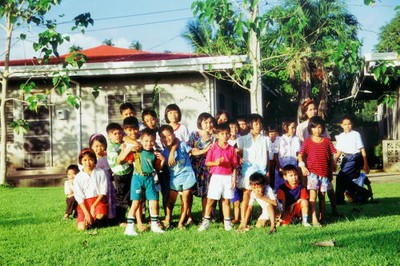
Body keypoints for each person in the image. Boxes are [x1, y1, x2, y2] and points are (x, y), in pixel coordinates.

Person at [296, 99, 339, 216]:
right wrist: (302, 164)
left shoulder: (321, 124)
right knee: (311, 189)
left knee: (327, 188)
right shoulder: (301, 127)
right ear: (305, 112)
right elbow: (300, 146)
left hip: (323, 163)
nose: (313, 111)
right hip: (309, 163)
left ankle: (334, 210)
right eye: (310, 110)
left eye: (315, 109)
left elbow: (328, 144)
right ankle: (310, 212)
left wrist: (332, 161)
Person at [124, 129, 166, 236]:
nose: (149, 143)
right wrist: (126, 149)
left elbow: (156, 168)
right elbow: (127, 160)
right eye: (146, 141)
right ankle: (129, 228)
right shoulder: (137, 151)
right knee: (135, 203)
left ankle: (154, 225)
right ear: (141, 141)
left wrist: (162, 161)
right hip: (138, 178)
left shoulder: (154, 153)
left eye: (151, 141)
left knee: (154, 201)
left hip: (150, 179)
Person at [198, 123, 238, 231]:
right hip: (216, 177)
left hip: (228, 177)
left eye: (227, 134)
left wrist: (234, 179)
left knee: (226, 201)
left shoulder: (231, 149)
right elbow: (207, 163)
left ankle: (227, 223)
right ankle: (206, 221)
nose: (225, 136)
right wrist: (215, 163)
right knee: (211, 200)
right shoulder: (213, 147)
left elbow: (234, 166)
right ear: (217, 135)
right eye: (222, 134)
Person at [158, 125, 197, 229]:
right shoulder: (163, 153)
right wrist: (162, 161)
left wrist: (205, 150)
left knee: (185, 200)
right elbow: (159, 167)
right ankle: (168, 220)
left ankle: (181, 223)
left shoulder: (182, 145)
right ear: (161, 139)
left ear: (174, 135)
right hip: (174, 180)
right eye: (163, 137)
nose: (167, 138)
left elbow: (192, 151)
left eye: (169, 135)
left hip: (187, 176)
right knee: (170, 201)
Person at [237, 114, 270, 224]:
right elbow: (238, 152)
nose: (259, 126)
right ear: (250, 125)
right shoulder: (243, 139)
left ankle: (266, 216)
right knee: (246, 194)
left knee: (262, 192)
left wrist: (268, 171)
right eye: (256, 123)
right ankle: (243, 220)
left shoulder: (265, 139)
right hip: (248, 169)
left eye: (260, 123)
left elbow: (268, 158)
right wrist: (239, 158)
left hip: (261, 169)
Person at [106, 123, 138, 226]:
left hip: (129, 171)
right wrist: (127, 151)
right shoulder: (111, 148)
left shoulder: (122, 143)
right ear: (109, 136)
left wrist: (128, 155)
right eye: (114, 133)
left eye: (119, 133)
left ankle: (133, 216)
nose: (117, 135)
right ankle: (120, 219)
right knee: (121, 197)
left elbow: (127, 158)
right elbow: (119, 160)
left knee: (130, 195)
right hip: (120, 175)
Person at [335, 116, 372, 204]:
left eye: (349, 124)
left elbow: (362, 149)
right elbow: (339, 151)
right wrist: (334, 161)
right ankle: (364, 193)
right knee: (345, 180)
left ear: (352, 124)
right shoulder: (341, 136)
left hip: (354, 157)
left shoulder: (356, 134)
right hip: (346, 158)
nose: (347, 126)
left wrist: (365, 164)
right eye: (345, 124)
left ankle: (339, 200)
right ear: (341, 125)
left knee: (340, 176)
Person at [188, 112, 216, 216]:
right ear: (200, 123)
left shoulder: (215, 137)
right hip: (195, 166)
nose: (209, 125)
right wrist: (203, 151)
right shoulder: (194, 135)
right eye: (206, 122)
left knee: (207, 192)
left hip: (209, 167)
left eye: (211, 122)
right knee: (190, 191)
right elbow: (190, 150)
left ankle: (206, 216)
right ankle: (188, 216)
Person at [74, 148, 108, 230]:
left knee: (100, 215)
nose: (88, 163)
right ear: (81, 161)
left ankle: (98, 221)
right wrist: (86, 213)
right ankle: (85, 219)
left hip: (97, 201)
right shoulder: (78, 177)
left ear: (94, 160)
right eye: (85, 160)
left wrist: (93, 206)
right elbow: (79, 197)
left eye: (90, 160)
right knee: (82, 228)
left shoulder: (100, 172)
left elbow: (103, 191)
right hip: (84, 204)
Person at [89, 133, 117, 221]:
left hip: (108, 184)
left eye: (101, 146)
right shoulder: (91, 160)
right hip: (96, 185)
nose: (99, 148)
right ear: (91, 146)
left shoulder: (108, 158)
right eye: (96, 146)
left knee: (109, 200)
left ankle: (110, 217)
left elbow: (112, 170)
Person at [276, 119, 301, 191]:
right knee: (281, 187)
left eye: (295, 128)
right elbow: (276, 155)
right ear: (285, 127)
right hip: (282, 167)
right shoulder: (279, 139)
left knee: (293, 186)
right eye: (292, 128)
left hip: (293, 167)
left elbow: (298, 153)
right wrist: (279, 167)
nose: (294, 130)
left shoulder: (296, 139)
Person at [227, 119, 242, 224]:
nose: (234, 129)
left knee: (239, 194)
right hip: (228, 170)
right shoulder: (226, 141)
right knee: (229, 194)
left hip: (240, 170)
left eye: (236, 127)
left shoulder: (241, 139)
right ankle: (228, 216)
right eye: (232, 127)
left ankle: (238, 217)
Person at [266, 126, 280, 190]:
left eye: (275, 134)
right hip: (267, 162)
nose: (273, 136)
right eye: (271, 134)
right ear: (268, 134)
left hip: (275, 161)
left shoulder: (278, 140)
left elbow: (276, 153)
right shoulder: (266, 140)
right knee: (268, 176)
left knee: (274, 176)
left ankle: (273, 189)